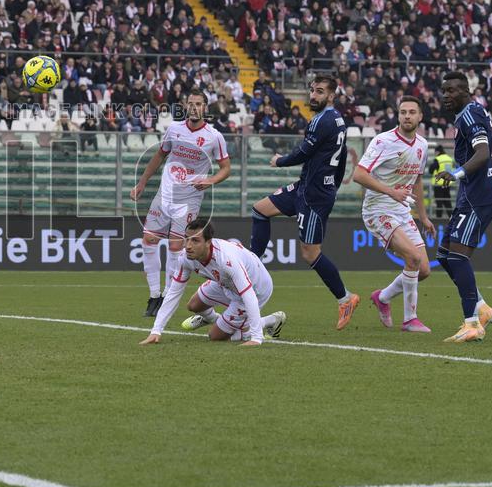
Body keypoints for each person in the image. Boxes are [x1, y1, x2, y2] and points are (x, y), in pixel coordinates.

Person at [249, 75, 359, 329]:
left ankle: (345, 299)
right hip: (306, 187)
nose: (313, 96)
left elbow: (302, 153)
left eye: (319, 92)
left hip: (314, 196)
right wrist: (335, 181)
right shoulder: (338, 120)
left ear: (331, 95)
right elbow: (340, 158)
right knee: (260, 210)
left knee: (310, 253)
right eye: (312, 91)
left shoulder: (323, 121)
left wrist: (279, 161)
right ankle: (252, 265)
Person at [130, 88, 231, 318]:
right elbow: (159, 156)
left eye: (198, 104)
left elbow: (226, 169)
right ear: (185, 106)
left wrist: (211, 180)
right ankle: (154, 295)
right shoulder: (174, 129)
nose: (194, 107)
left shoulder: (214, 136)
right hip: (165, 194)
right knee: (149, 239)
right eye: (190, 103)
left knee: (176, 246)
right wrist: (142, 183)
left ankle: (167, 294)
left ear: (205, 108)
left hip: (189, 199)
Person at [353, 96, 434, 333]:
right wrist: (391, 192)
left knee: (424, 270)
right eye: (402, 112)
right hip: (378, 209)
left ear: (420, 116)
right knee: (413, 258)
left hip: (401, 209)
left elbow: (417, 180)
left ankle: (383, 297)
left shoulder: (422, 145)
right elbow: (359, 175)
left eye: (411, 112)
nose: (407, 116)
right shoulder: (383, 141)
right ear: (398, 116)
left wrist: (424, 216)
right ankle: (410, 319)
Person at [139, 218, 286, 346]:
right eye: (187, 238)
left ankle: (271, 320)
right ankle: (215, 319)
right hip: (225, 282)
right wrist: (156, 331)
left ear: (208, 242)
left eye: (195, 240)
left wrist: (256, 338)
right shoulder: (185, 258)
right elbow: (174, 292)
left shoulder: (225, 259)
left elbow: (248, 295)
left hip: (255, 289)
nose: (188, 245)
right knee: (194, 305)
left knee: (215, 336)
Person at [434, 72, 492, 343]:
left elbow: (482, 154)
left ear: (465, 91)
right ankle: (482, 308)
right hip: (469, 195)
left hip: (478, 196)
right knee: (444, 255)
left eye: (451, 90)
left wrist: (456, 173)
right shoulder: (466, 115)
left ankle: (472, 323)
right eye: (444, 91)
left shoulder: (471, 114)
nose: (446, 96)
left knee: (458, 257)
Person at [427, 144, 454, 220]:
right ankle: (451, 218)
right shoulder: (449, 158)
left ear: (438, 152)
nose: (435, 154)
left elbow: (431, 170)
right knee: (447, 202)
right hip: (447, 183)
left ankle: (439, 219)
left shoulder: (438, 159)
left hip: (438, 184)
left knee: (439, 202)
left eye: (435, 152)